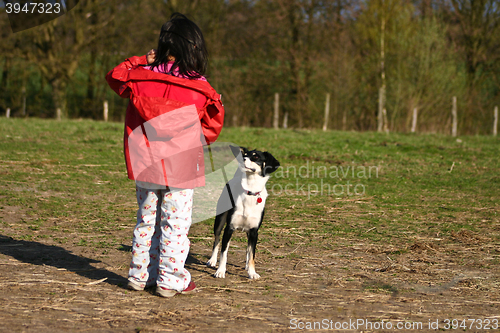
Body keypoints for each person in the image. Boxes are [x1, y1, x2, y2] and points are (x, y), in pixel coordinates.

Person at [105, 13, 224, 297]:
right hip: (181, 165)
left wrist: (139, 61)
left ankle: (139, 275)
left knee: (146, 219)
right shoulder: (200, 87)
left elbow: (114, 76)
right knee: (176, 223)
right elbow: (212, 125)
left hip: (145, 161)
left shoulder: (140, 78)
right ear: (194, 47)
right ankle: (171, 280)